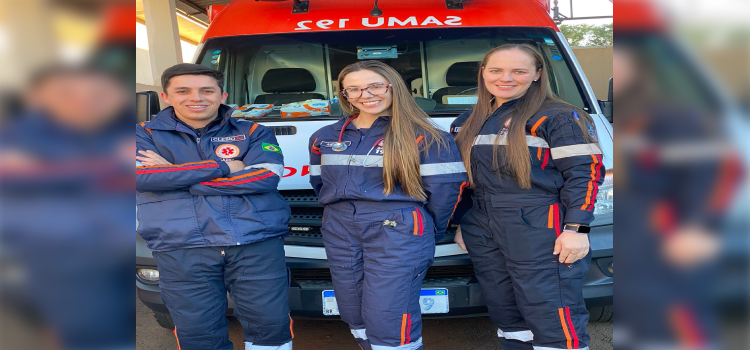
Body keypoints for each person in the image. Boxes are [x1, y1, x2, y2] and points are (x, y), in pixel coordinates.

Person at [450, 44, 605, 350]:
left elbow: (585, 174)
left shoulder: (558, 117)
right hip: (482, 225)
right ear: (483, 74)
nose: (506, 78)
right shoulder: (467, 120)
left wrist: (577, 229)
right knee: (504, 309)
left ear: (536, 75)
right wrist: (462, 223)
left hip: (538, 224)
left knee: (550, 309)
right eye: (496, 70)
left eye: (518, 71)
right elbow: (465, 180)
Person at [309, 60, 468, 350]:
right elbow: (320, 184)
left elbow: (446, 192)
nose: (365, 94)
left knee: (388, 315)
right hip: (339, 226)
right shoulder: (325, 137)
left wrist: (421, 227)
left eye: (375, 86)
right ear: (344, 95)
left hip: (399, 227)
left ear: (393, 87)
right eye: (353, 89)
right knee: (352, 310)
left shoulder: (427, 136)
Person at [135, 64, 292, 350]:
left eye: (207, 90)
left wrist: (179, 176)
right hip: (181, 244)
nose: (197, 97)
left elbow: (265, 177)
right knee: (198, 332)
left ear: (223, 95)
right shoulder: (141, 134)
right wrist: (224, 166)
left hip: (255, 241)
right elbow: (141, 177)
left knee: (270, 325)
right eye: (183, 91)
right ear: (165, 96)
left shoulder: (254, 131)